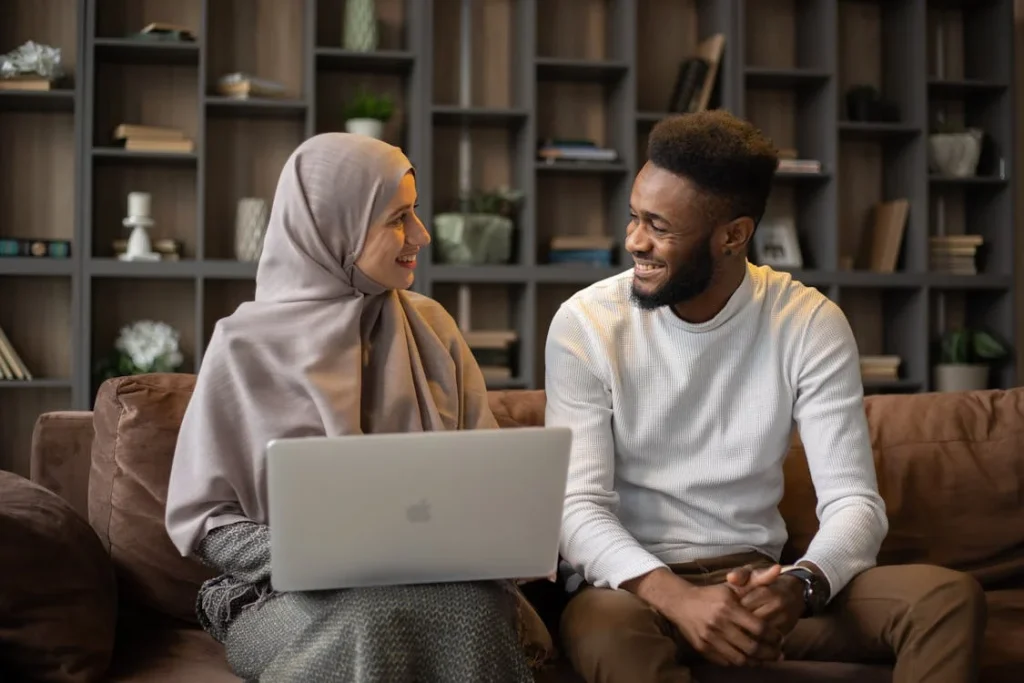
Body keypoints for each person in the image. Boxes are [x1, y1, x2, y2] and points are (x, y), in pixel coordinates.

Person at [544, 110, 987, 683]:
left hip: (757, 581)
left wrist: (799, 586)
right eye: (633, 217)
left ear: (733, 235)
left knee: (946, 599)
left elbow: (854, 503)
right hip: (634, 593)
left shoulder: (807, 322)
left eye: (658, 226)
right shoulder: (585, 324)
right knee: (603, 631)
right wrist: (679, 599)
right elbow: (577, 509)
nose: (634, 241)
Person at [164, 133, 543, 683]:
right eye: (398, 218)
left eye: (416, 213)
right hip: (276, 595)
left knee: (476, 608)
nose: (422, 235)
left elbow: (487, 483)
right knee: (370, 616)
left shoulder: (431, 327)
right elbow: (207, 524)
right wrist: (322, 554)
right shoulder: (243, 346)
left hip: (442, 584)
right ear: (331, 225)